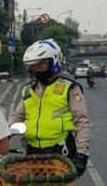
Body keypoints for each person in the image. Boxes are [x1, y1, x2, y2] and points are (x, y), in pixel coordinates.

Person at [8, 39, 90, 177]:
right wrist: (3, 135)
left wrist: (82, 154)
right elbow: (17, 116)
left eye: (41, 63)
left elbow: (81, 121)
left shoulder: (69, 88)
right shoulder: (29, 90)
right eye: (34, 64)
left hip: (59, 153)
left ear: (54, 62)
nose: (36, 68)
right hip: (31, 153)